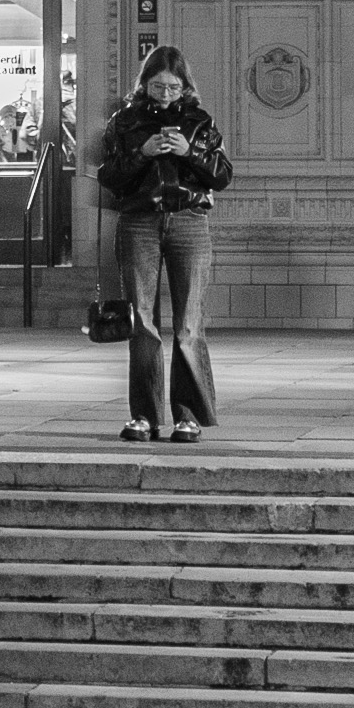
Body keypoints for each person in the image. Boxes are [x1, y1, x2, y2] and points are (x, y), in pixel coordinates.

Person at [92, 43, 229, 443]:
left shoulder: (200, 122)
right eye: (157, 86)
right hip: (139, 222)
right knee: (142, 322)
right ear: (144, 84)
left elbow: (222, 176)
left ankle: (188, 417)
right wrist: (142, 153)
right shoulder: (125, 121)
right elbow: (108, 176)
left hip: (189, 222)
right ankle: (144, 416)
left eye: (172, 87)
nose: (165, 94)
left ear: (185, 86)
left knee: (189, 324)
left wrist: (191, 153)